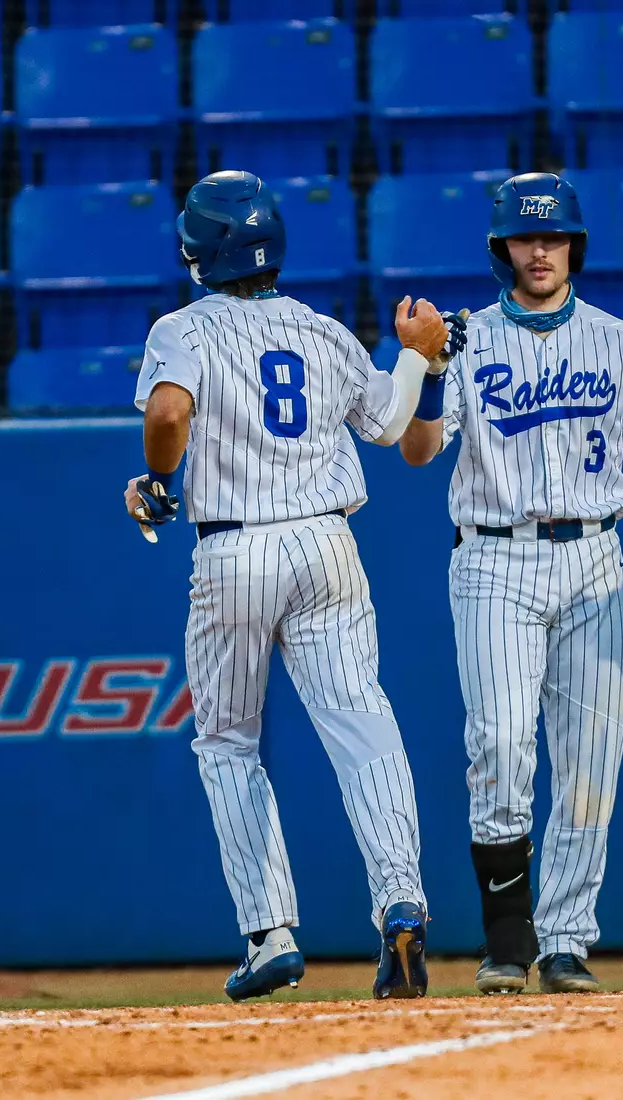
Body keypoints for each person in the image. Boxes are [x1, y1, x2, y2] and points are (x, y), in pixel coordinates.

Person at [124, 170, 454, 1001]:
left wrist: (156, 479)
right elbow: (388, 427)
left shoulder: (183, 326)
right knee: (361, 722)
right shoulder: (324, 330)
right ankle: (402, 904)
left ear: (197, 252)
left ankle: (269, 931)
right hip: (326, 542)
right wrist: (415, 359)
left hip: (234, 550)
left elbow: (166, 418)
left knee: (229, 743)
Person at [397, 173, 623, 995]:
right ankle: (509, 939)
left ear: (573, 244)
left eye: (552, 237)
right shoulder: (463, 340)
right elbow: (415, 449)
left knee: (588, 762)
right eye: (524, 237)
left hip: (593, 556)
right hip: (494, 555)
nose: (539, 251)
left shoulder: (618, 341)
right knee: (501, 746)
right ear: (501, 247)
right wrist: (429, 368)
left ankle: (568, 939)